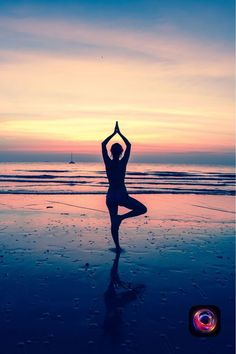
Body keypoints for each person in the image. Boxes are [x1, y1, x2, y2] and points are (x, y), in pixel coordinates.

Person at [102, 122, 147, 251]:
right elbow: (129, 145)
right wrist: (120, 133)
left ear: (111, 151)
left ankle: (117, 246)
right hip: (121, 195)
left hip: (111, 196)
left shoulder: (108, 163)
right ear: (121, 152)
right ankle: (121, 218)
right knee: (142, 209)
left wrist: (113, 133)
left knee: (113, 222)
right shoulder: (123, 163)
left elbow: (103, 144)